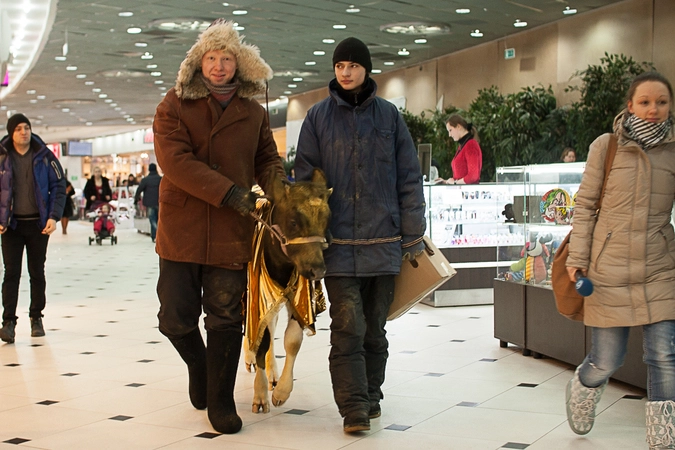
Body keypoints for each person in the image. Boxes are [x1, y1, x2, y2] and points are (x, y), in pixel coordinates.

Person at [152, 19, 285, 435]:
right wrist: (229, 192)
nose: (219, 66)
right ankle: (201, 366)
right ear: (199, 61)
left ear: (238, 63)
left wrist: (283, 193)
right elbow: (174, 162)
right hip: (182, 228)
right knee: (174, 317)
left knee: (225, 317)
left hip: (230, 232)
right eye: (211, 58)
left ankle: (222, 401)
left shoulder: (253, 112)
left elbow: (267, 160)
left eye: (226, 58)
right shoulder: (174, 104)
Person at [295, 37, 426, 433]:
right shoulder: (317, 118)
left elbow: (409, 177)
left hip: (383, 243)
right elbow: (306, 183)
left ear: (366, 69)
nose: (346, 72)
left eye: (352, 65)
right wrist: (310, 238)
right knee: (347, 326)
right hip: (337, 246)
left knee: (374, 329)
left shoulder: (389, 117)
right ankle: (353, 408)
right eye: (340, 66)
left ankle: (371, 396)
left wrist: (413, 235)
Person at [564, 72, 675, 449]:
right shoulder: (606, 146)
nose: (653, 109)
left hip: (660, 267)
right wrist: (578, 258)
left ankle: (663, 437)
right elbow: (585, 206)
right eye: (645, 102)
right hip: (608, 268)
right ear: (630, 106)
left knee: (664, 355)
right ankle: (583, 386)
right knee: (607, 359)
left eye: (661, 102)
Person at [0, 114, 66, 343]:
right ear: (11, 133)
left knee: (37, 272)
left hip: (38, 224)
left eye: (26, 127)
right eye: (18, 128)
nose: (24, 132)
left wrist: (54, 216)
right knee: (11, 273)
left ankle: (36, 317)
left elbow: (59, 185)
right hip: (11, 226)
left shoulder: (45, 155)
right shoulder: (2, 156)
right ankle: (8, 322)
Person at [435, 114, 482, 185]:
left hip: (467, 190)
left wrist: (455, 182)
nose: (449, 135)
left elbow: (473, 176)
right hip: (463, 189)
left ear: (458, 127)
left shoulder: (470, 145)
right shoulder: (463, 146)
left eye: (450, 130)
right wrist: (447, 181)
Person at [134, 163, 162, 242]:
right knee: (159, 219)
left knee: (152, 219)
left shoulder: (145, 180)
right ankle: (159, 234)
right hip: (159, 202)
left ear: (149, 169)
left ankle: (155, 235)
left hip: (149, 202)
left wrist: (136, 200)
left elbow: (139, 190)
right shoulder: (160, 179)